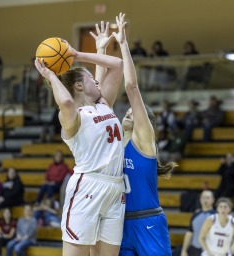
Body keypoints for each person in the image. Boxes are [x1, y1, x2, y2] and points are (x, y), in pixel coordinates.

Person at [34, 20, 125, 256]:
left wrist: (81, 53)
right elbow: (65, 101)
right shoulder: (73, 118)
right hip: (88, 188)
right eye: (90, 80)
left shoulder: (104, 105)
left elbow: (117, 65)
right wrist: (51, 75)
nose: (97, 81)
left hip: (115, 189)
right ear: (78, 86)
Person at [112, 13, 178, 256]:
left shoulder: (144, 141)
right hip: (121, 224)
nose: (129, 113)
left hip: (148, 221)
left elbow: (131, 86)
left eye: (134, 111)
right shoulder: (116, 144)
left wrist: (122, 44)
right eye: (127, 111)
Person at [178, 190, 215, 256]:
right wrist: (184, 250)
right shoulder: (196, 215)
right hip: (195, 250)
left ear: (213, 200)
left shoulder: (216, 216)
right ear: (200, 199)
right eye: (203, 197)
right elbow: (189, 233)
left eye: (208, 198)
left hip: (210, 250)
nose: (205, 200)